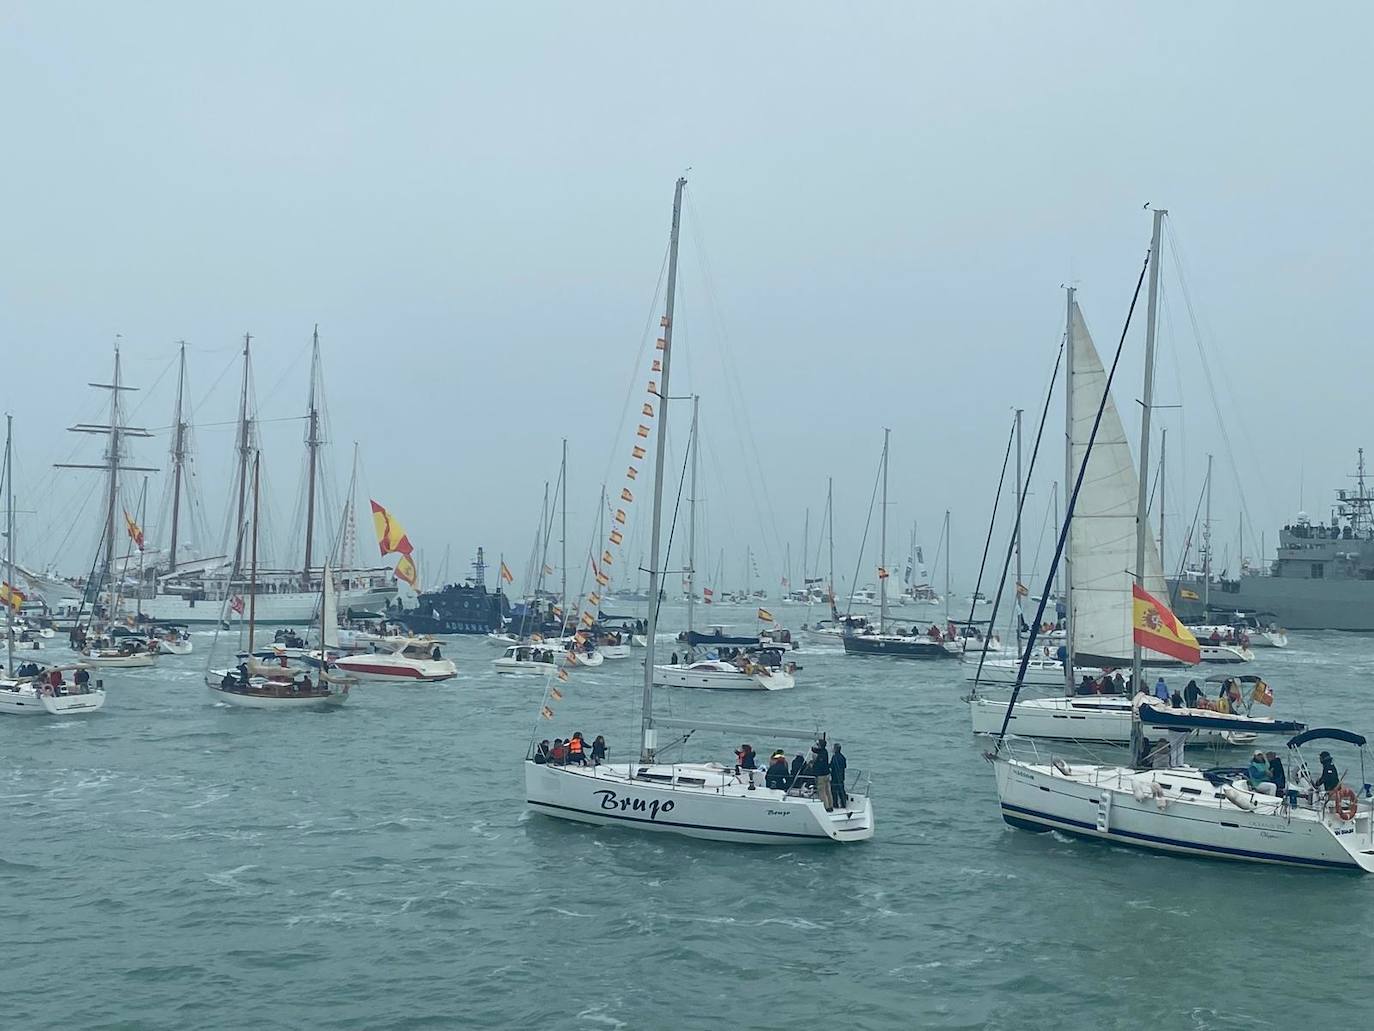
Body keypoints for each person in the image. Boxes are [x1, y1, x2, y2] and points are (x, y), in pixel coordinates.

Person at [811, 739, 833, 811]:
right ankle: (831, 805)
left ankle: (826, 807)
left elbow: (819, 765)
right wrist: (814, 747)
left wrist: (814, 770)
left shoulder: (821, 756)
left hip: (821, 775)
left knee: (822, 792)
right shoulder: (824, 751)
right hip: (827, 774)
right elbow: (816, 750)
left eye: (818, 745)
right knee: (828, 791)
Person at [830, 742, 848, 809]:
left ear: (835, 749)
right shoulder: (843, 757)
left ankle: (835, 804)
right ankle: (843, 804)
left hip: (835, 776)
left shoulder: (834, 757)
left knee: (834, 790)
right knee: (841, 790)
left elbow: (831, 766)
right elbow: (845, 766)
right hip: (841, 776)